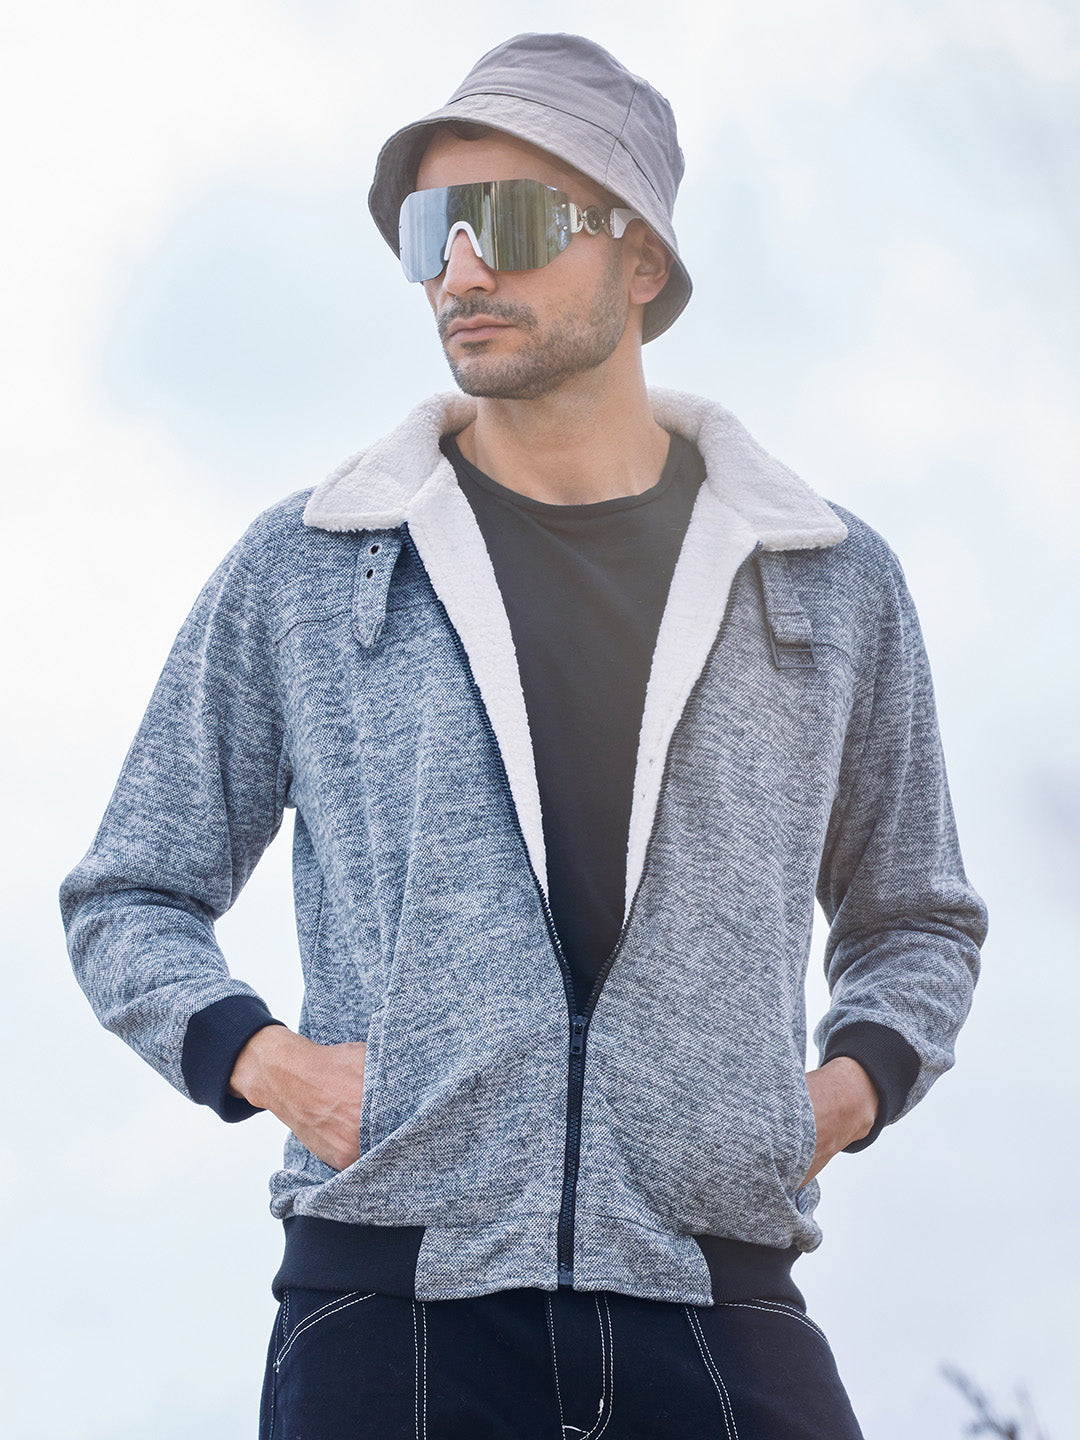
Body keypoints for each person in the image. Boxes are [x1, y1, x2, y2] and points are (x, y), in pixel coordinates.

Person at [61, 32, 987, 1440]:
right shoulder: (311, 568)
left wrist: (830, 1101)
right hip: (391, 1306)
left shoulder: (826, 582)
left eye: (503, 220)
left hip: (720, 1296)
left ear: (640, 258)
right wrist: (273, 1064)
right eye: (430, 228)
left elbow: (917, 917)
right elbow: (130, 890)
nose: (458, 270)